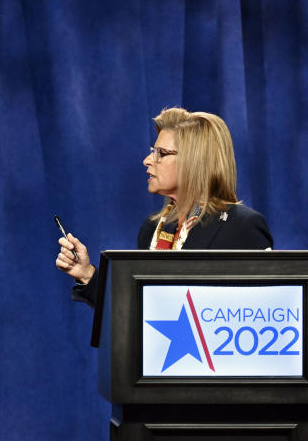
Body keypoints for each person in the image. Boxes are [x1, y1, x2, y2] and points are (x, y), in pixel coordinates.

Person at [56, 107, 272, 305]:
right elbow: (137, 309)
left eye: (161, 153)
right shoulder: (152, 230)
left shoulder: (241, 226)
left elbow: (261, 310)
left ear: (193, 161)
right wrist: (86, 274)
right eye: (153, 151)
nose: (147, 160)